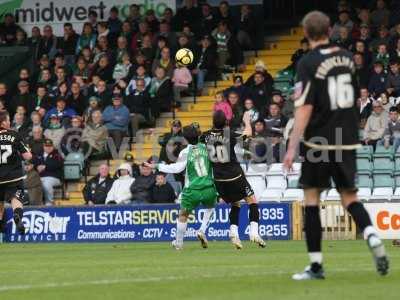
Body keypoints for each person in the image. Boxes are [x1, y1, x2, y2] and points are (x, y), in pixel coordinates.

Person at [283, 11, 388, 280]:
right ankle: (372, 234)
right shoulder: (347, 57)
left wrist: (292, 146)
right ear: (329, 29)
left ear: (306, 34)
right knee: (350, 198)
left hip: (319, 141)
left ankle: (316, 266)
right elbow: (353, 98)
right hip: (347, 138)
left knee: (311, 200)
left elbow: (304, 107)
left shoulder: (307, 63)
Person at [145, 125, 218, 250]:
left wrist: (157, 166)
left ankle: (178, 243)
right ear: (198, 135)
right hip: (208, 187)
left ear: (185, 139)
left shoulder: (185, 152)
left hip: (192, 189)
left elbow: (177, 168)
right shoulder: (208, 148)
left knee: (183, 215)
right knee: (210, 208)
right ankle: (202, 230)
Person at [201, 111, 266, 249]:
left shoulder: (205, 136)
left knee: (235, 204)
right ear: (226, 122)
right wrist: (247, 120)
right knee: (252, 201)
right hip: (234, 175)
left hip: (218, 179)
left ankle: (234, 233)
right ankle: (254, 232)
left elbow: (195, 141)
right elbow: (248, 133)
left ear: (213, 122)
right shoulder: (228, 134)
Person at [0, 111, 32, 236]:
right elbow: (28, 156)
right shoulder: (14, 135)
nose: (10, 122)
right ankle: (17, 216)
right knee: (16, 198)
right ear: (3, 122)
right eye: (8, 120)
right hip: (13, 177)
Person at [33, 139, 64, 206]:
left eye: (50, 146)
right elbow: (33, 163)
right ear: (43, 146)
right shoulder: (39, 154)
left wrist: (45, 167)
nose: (48, 147)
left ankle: (49, 202)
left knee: (46, 182)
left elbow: (58, 164)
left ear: (52, 146)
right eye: (46, 146)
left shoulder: (57, 154)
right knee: (32, 182)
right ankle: (35, 202)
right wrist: (37, 167)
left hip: (54, 177)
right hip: (40, 177)